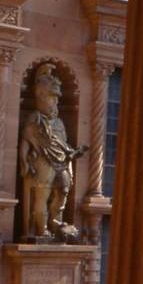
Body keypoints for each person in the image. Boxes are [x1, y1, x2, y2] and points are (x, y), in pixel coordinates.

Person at [19, 63, 88, 240]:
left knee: (64, 189)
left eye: (57, 98)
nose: (56, 101)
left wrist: (73, 152)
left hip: (61, 162)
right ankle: (41, 230)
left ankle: (55, 222)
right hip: (42, 159)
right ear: (41, 96)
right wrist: (24, 162)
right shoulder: (35, 118)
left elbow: (63, 144)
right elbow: (26, 141)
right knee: (43, 192)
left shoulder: (59, 122)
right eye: (52, 97)